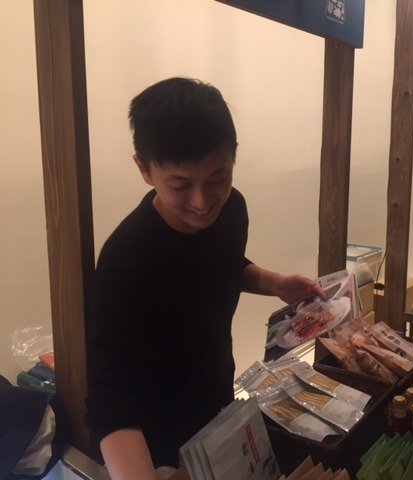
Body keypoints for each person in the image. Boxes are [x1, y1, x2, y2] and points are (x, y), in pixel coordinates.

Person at [85, 77, 326, 479]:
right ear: (144, 169)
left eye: (217, 177)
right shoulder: (125, 263)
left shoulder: (232, 209)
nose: (202, 202)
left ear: (233, 156)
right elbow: (112, 409)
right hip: (156, 447)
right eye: (181, 184)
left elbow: (221, 265)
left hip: (217, 411)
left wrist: (275, 284)